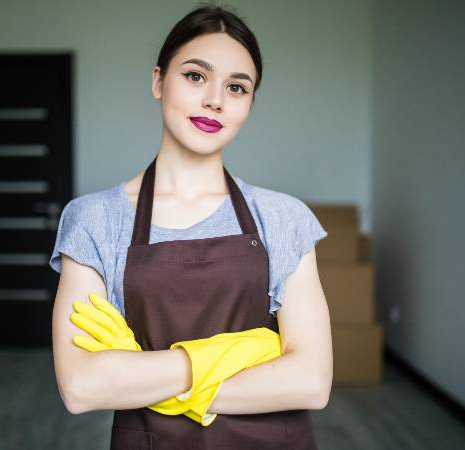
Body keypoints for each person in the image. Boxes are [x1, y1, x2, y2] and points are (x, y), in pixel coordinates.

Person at [49, 4, 332, 449]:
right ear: (158, 81)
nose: (215, 100)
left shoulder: (283, 218)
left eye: (236, 87)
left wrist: (143, 375)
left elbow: (311, 381)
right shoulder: (94, 220)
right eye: (196, 76)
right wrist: (224, 357)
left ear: (249, 104)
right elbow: (82, 387)